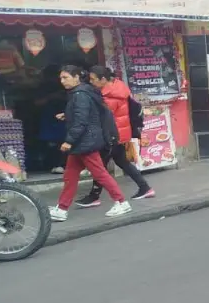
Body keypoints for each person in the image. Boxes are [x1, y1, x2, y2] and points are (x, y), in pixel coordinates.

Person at [49, 65, 130, 221]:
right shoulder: (84, 92)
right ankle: (62, 208)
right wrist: (67, 115)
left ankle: (121, 201)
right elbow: (85, 114)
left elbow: (81, 121)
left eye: (65, 77)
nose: (62, 81)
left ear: (77, 77)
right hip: (82, 143)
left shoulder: (80, 94)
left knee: (100, 174)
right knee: (70, 175)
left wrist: (68, 141)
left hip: (85, 142)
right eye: (61, 78)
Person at [73, 65, 153, 207]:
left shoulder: (110, 97)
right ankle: (145, 188)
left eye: (93, 79)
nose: (91, 82)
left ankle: (95, 196)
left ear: (103, 79)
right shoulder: (118, 88)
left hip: (112, 136)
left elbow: (99, 116)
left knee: (100, 167)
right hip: (120, 134)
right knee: (122, 162)